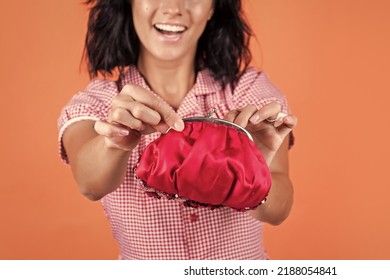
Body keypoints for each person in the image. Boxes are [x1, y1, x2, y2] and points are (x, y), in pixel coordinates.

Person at [58, 0, 297, 259]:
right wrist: (114, 143)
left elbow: (279, 209)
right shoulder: (97, 104)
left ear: (213, 8)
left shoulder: (249, 94)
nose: (173, 7)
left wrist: (253, 176)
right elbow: (90, 183)